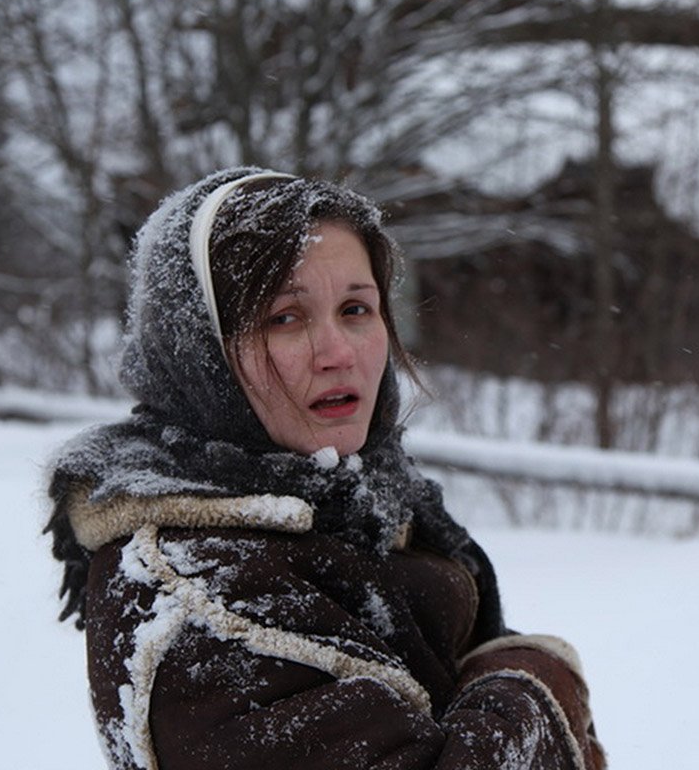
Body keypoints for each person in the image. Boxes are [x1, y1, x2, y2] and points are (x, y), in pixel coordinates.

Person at [45, 167, 605, 770]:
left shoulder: (362, 504)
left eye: (357, 309)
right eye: (284, 317)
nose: (338, 353)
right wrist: (536, 680)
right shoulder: (196, 594)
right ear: (199, 352)